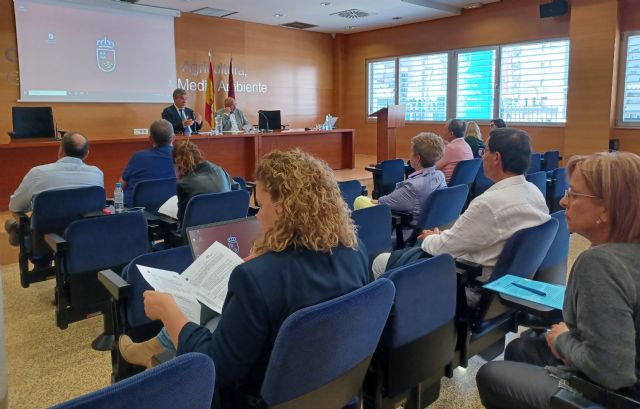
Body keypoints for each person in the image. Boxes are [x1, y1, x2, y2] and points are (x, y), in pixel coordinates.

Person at [118, 149, 370, 408]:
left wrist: (168, 311)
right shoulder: (355, 250)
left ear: (283, 210)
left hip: (258, 398)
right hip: (334, 389)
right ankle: (153, 348)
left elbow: (217, 367)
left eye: (261, 205)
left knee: (198, 321)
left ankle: (154, 350)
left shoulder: (256, 279)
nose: (257, 216)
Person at [476, 151, 640, 409]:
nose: (563, 201)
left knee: (491, 375)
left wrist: (562, 339)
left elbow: (612, 372)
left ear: (606, 209)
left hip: (622, 395)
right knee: (522, 347)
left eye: (574, 194)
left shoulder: (600, 263)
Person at [372, 128, 550, 282]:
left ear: (496, 157)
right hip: (502, 289)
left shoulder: (488, 203)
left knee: (380, 262)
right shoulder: (535, 193)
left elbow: (444, 248)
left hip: (467, 283)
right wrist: (444, 235)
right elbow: (480, 235)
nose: (481, 157)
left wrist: (429, 238)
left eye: (484, 151)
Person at [4, 132, 104, 245]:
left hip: (44, 239)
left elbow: (15, 206)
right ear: (86, 154)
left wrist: (35, 204)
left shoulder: (38, 173)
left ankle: (15, 229)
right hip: (84, 236)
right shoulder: (97, 174)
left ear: (60, 151)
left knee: (15, 224)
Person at [376, 132, 446, 220]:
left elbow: (382, 202)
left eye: (412, 152)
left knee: (361, 201)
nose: (410, 155)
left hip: (406, 230)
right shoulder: (440, 176)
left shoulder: (412, 187)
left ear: (418, 158)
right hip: (432, 226)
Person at [172, 140, 236, 224]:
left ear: (177, 163)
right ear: (198, 154)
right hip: (228, 226)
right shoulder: (220, 170)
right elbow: (238, 190)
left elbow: (182, 219)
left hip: (198, 233)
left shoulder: (183, 184)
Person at [119, 119, 175, 207]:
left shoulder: (138, 157)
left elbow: (120, 187)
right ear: (173, 137)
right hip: (170, 213)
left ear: (150, 139)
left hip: (136, 213)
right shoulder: (182, 158)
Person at [436, 119, 473, 183]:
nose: (443, 132)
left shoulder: (450, 148)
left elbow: (433, 167)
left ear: (451, 133)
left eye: (445, 130)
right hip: (460, 187)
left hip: (444, 186)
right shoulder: (467, 146)